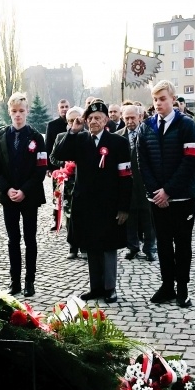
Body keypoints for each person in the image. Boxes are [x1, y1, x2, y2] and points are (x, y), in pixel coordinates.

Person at [53, 100, 131, 304]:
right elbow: (59, 155)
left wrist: (124, 207)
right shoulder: (79, 140)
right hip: (86, 204)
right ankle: (95, 287)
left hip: (109, 204)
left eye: (98, 118)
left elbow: (125, 176)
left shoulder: (118, 143)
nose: (93, 121)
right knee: (91, 245)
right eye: (90, 118)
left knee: (108, 247)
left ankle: (110, 288)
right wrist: (72, 130)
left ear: (106, 120)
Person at [137, 81, 195, 308]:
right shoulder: (146, 127)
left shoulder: (187, 125)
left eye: (162, 99)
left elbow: (190, 160)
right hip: (156, 198)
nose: (158, 104)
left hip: (182, 197)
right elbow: (141, 161)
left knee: (182, 244)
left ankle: (182, 288)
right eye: (155, 100)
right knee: (163, 243)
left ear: (173, 99)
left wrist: (169, 191)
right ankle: (167, 286)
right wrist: (157, 192)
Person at [0, 92, 47, 297]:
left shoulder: (36, 137)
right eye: (14, 112)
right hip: (9, 197)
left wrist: (24, 190)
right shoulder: (2, 136)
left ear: (27, 111)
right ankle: (15, 281)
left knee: (30, 239)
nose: (18, 115)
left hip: (29, 196)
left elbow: (41, 168)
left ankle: (30, 281)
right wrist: (7, 189)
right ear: (9, 112)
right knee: (13, 239)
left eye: (21, 111)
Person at [116, 104, 156, 261]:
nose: (130, 121)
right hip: (126, 183)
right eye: (126, 118)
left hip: (146, 182)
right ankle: (132, 247)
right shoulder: (118, 136)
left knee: (148, 217)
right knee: (129, 216)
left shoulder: (149, 134)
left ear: (141, 117)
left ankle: (149, 247)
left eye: (133, 117)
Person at [50, 106, 86, 260]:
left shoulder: (87, 136)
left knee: (84, 215)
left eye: (76, 120)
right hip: (67, 181)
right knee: (69, 215)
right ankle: (73, 246)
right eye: (70, 120)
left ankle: (84, 246)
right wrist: (65, 163)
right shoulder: (60, 137)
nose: (73, 123)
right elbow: (53, 157)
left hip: (83, 181)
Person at [45, 99, 71, 231]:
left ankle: (71, 219)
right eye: (62, 107)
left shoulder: (75, 122)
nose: (64, 109)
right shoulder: (52, 125)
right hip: (57, 167)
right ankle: (57, 220)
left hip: (72, 166)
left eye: (66, 106)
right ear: (58, 109)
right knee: (57, 193)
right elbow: (48, 146)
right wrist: (48, 167)